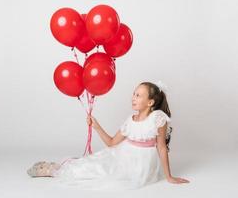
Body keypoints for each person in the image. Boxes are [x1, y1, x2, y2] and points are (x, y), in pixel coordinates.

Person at [27, 81, 189, 191]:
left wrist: (169, 176)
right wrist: (96, 126)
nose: (133, 97)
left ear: (150, 102)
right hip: (123, 155)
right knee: (93, 164)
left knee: (102, 174)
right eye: (133, 94)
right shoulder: (130, 121)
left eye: (138, 95)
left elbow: (161, 147)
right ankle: (55, 167)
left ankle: (55, 169)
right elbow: (112, 143)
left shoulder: (157, 118)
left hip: (139, 166)